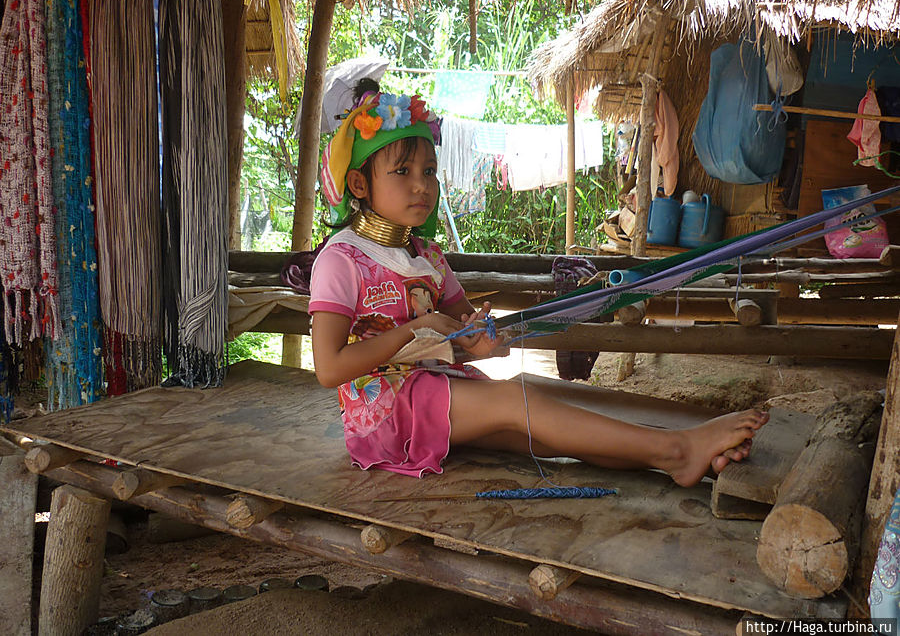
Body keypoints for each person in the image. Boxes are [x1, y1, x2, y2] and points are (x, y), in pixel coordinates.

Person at [309, 80, 768, 485]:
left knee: (539, 433)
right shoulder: (342, 260)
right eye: (402, 173)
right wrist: (415, 328)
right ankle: (679, 449)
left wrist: (480, 339)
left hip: (439, 390)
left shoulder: (427, 256)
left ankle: (676, 459)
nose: (421, 186)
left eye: (429, 172)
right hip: (384, 414)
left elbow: (463, 325)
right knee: (517, 398)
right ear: (359, 183)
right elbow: (330, 369)